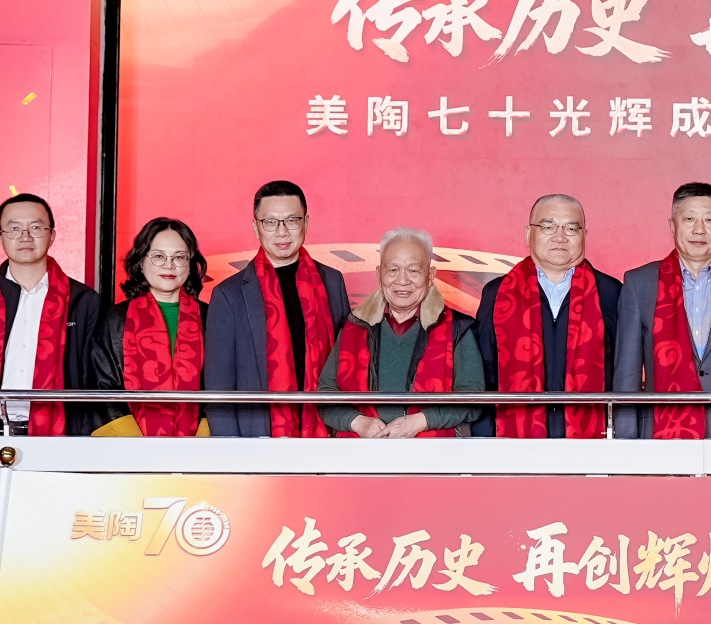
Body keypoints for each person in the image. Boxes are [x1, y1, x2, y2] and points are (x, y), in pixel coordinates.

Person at [614, 182, 711, 440]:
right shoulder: (638, 282)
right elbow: (627, 375)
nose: (699, 229)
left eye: (710, 220)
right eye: (689, 219)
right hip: (660, 428)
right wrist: (626, 442)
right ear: (672, 225)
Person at [0, 193, 100, 436]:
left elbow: (92, 380)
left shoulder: (83, 300)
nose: (25, 236)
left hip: (60, 433)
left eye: (36, 227)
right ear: (1, 237)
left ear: (52, 235)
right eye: (14, 228)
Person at [204, 181, 351, 437]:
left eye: (292, 220)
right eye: (270, 222)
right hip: (257, 438)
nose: (282, 232)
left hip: (327, 433)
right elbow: (219, 390)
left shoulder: (332, 281)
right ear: (256, 227)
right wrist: (229, 449)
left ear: (306, 223)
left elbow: (347, 364)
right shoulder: (229, 295)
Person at [471, 194, 621, 438]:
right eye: (548, 226)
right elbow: (484, 374)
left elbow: (621, 373)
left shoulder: (611, 293)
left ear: (584, 235)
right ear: (528, 234)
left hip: (593, 441)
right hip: (513, 440)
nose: (559, 237)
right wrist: (487, 440)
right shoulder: (497, 293)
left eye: (571, 228)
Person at [318, 227, 483, 437]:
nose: (402, 281)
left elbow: (473, 399)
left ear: (430, 275)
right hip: (361, 450)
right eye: (393, 270)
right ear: (379, 274)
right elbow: (326, 394)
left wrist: (421, 421)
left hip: (432, 451)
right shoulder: (354, 327)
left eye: (413, 271)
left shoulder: (457, 328)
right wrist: (358, 423)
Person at [85, 217, 209, 436]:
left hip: (199, 447)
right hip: (130, 447)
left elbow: (221, 385)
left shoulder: (211, 317)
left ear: (190, 265)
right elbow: (103, 388)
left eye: (179, 257)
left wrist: (201, 443)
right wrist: (138, 447)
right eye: (159, 256)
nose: (169, 265)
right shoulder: (114, 319)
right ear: (141, 262)